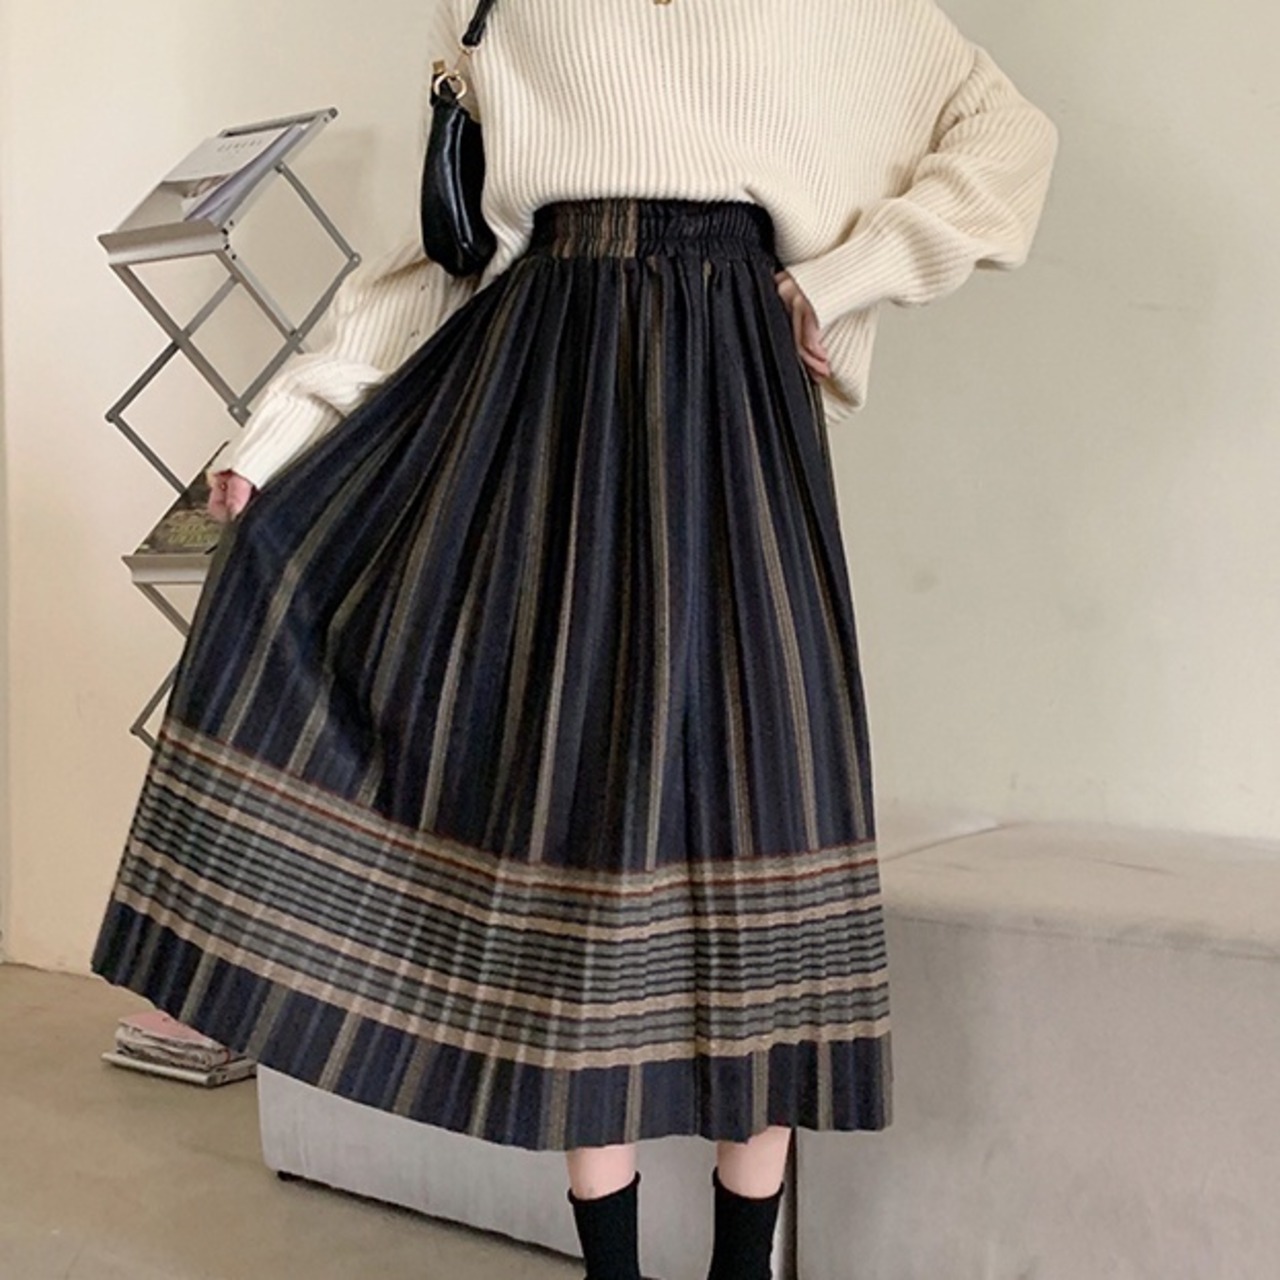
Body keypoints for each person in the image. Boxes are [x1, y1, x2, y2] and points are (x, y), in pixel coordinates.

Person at [93, 1, 1057, 1277]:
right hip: (539, 395)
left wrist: (841, 279)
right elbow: (444, 250)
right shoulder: (490, 3)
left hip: (731, 391)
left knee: (763, 803)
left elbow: (1007, 135)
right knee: (575, 810)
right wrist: (282, 429)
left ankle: (740, 1264)